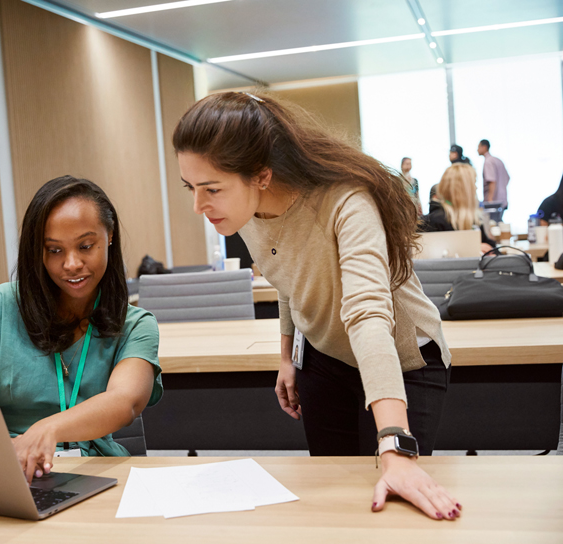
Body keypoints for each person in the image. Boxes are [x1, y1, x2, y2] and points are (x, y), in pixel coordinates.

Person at [173, 92, 459, 520]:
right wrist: (287, 355)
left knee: (394, 506)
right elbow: (288, 273)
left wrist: (395, 444)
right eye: (191, 188)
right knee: (335, 502)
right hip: (326, 359)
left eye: (211, 189)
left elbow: (367, 314)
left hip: (400, 358)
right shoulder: (244, 211)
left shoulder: (345, 202)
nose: (199, 206)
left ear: (263, 176)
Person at [0, 175, 162, 482]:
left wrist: (47, 428)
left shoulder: (135, 324)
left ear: (109, 236)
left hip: (94, 473)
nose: (71, 264)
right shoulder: (0, 307)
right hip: (10, 471)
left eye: (86, 246)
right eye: (54, 250)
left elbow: (124, 402)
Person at [420, 163, 497, 252]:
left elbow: (489, 245)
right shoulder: (435, 221)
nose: (476, 188)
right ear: (463, 189)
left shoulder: (473, 218)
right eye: (474, 183)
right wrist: (473, 248)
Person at [477, 139, 510, 210]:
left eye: (479, 147)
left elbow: (492, 181)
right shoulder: (498, 160)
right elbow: (507, 178)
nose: (477, 150)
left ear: (484, 147)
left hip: (493, 202)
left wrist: (490, 200)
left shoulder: (488, 161)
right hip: (503, 199)